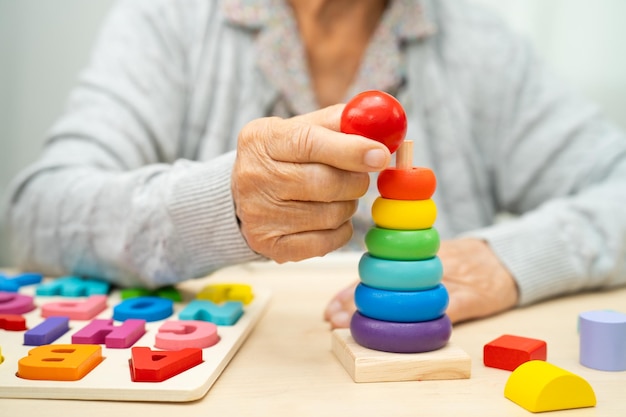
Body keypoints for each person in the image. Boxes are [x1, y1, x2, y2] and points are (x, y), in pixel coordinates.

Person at [5, 0, 626, 329]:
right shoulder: (167, 22)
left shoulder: (486, 48)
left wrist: (509, 260)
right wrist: (223, 205)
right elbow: (35, 213)